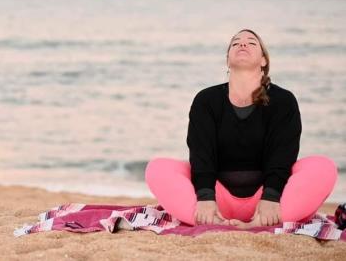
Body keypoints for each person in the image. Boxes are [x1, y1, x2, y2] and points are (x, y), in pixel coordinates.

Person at [144, 29, 337, 228]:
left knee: (324, 167)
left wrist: (271, 196)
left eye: (251, 43)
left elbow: (283, 154)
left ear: (264, 61)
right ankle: (215, 221)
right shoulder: (206, 100)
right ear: (228, 60)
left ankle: (258, 222)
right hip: (216, 203)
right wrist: (205, 196)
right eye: (235, 43)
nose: (242, 44)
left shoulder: (283, 100)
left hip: (269, 203)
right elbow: (201, 153)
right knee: (157, 168)